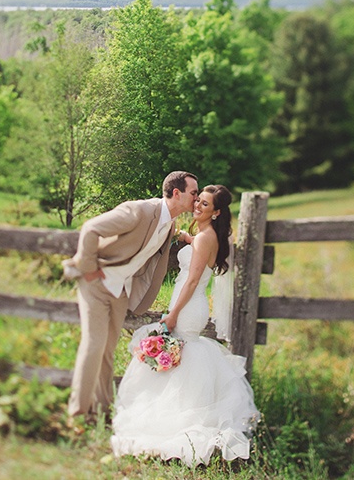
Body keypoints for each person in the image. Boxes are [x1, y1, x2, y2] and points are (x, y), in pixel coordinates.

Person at [111, 185, 260, 466]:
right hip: (190, 303)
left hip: (188, 306)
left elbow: (192, 281)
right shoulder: (206, 236)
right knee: (183, 360)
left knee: (182, 359)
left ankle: (180, 423)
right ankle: (176, 414)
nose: (197, 206)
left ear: (216, 213)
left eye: (205, 205)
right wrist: (186, 237)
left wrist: (173, 314)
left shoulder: (205, 238)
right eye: (198, 200)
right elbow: (200, 252)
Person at [63, 171, 199, 420]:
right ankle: (78, 412)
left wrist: (185, 236)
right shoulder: (139, 211)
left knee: (107, 349)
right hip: (96, 283)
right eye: (193, 193)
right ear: (176, 193)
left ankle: (101, 410)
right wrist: (89, 269)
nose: (197, 198)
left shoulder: (169, 223)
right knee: (94, 344)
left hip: (121, 290)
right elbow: (91, 228)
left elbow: (162, 235)